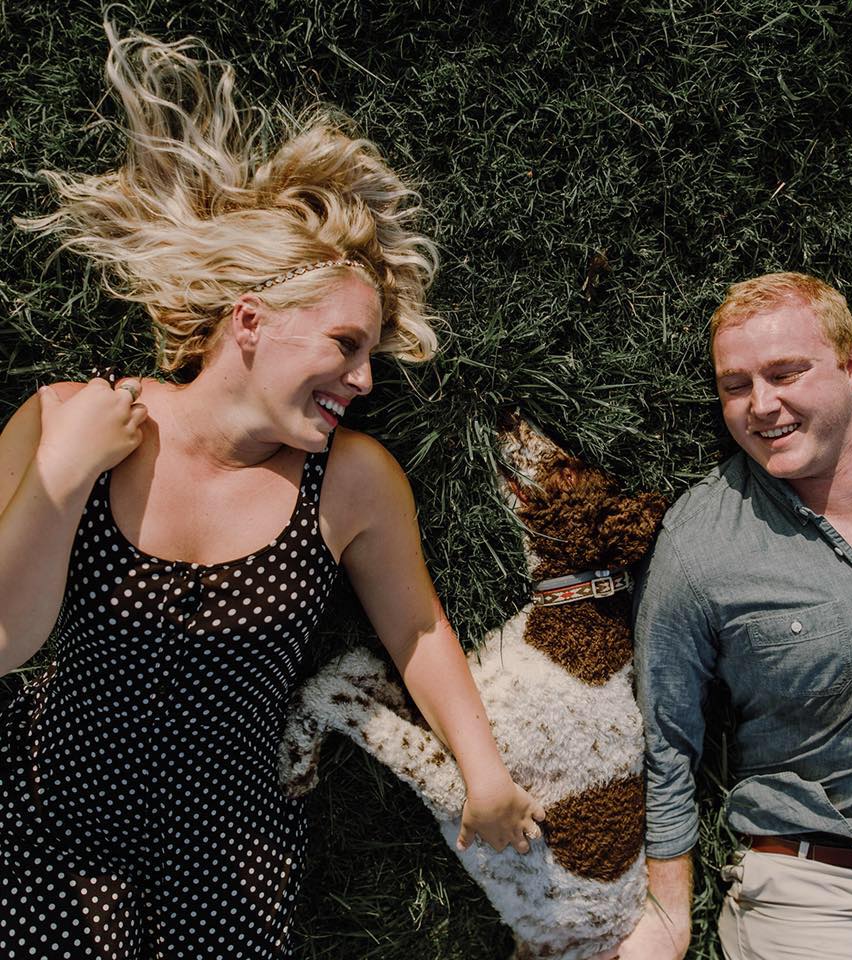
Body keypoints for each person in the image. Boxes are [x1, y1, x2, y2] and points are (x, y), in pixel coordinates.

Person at [0, 24, 544, 959]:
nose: (363, 380)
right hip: (48, 815)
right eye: (346, 345)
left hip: (225, 846)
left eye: (369, 357)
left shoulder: (352, 483)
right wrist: (62, 472)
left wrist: (484, 772)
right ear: (250, 320)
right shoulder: (69, 421)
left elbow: (417, 628)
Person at [617, 271, 852, 959]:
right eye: (735, 385)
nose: (761, 406)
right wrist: (667, 913)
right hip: (814, 898)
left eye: (785, 373)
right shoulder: (697, 546)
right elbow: (665, 739)